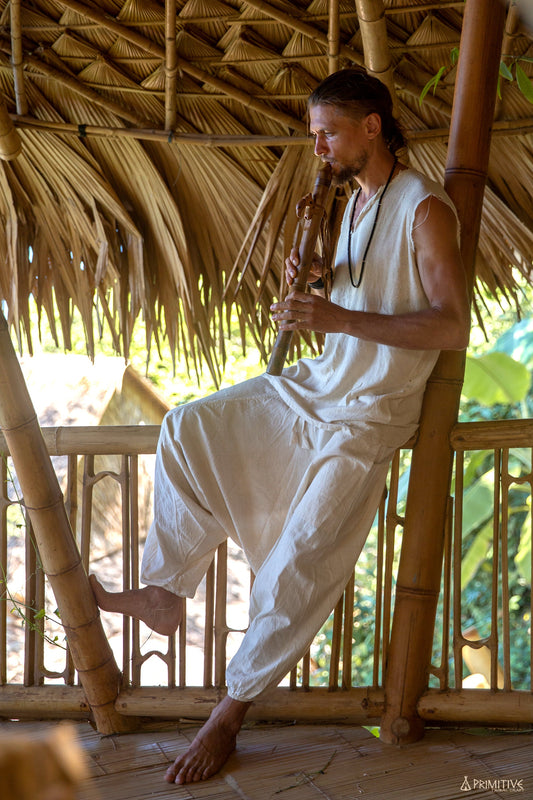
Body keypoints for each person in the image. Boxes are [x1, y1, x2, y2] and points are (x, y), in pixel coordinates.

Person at [89, 68, 470, 785]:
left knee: (301, 559)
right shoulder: (351, 204)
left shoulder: (424, 209)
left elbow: (453, 325)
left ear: (371, 126)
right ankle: (167, 591)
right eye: (312, 131)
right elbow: (369, 295)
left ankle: (226, 718)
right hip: (316, 388)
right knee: (187, 428)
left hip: (369, 413)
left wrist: (336, 317)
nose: (316, 144)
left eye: (326, 131)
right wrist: (321, 281)